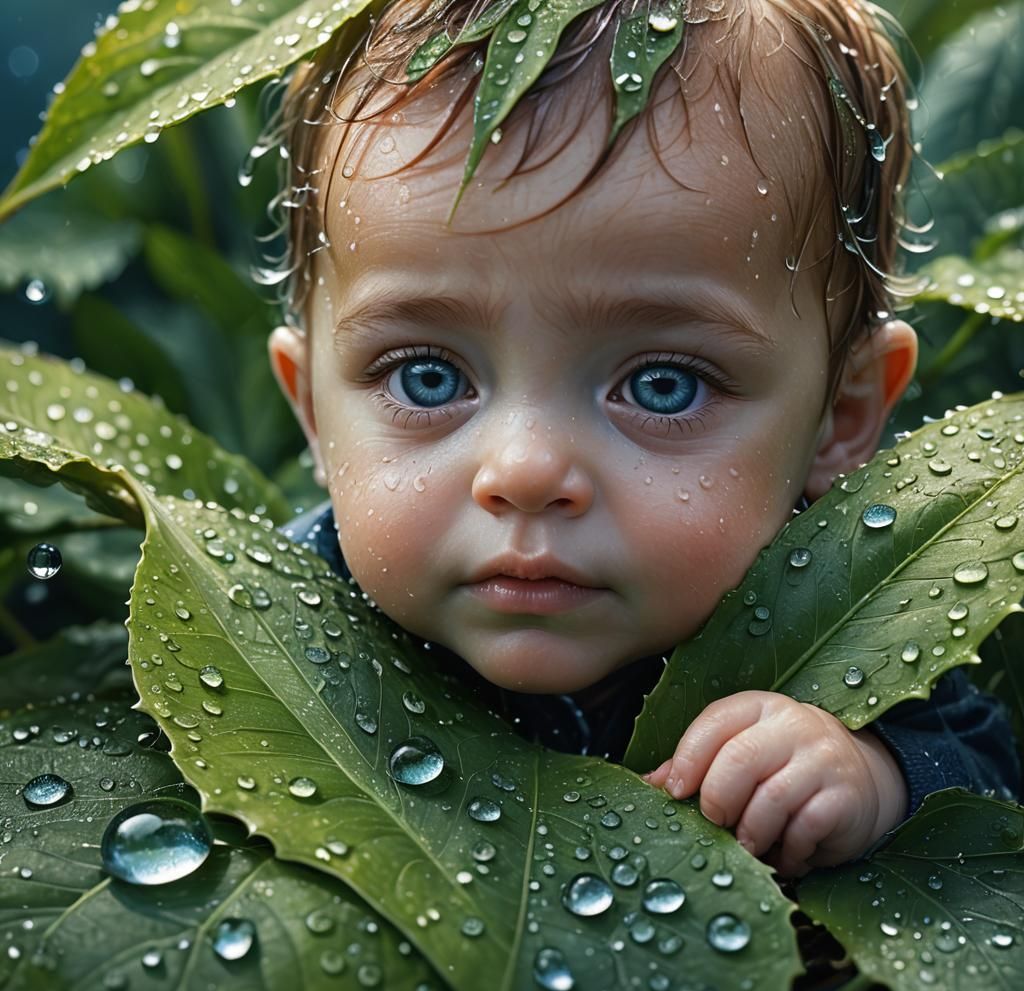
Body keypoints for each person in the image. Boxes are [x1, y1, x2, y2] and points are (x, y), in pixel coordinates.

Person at [262, 0, 1020, 879]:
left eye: (663, 386)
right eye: (425, 376)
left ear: (839, 417)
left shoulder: (846, 618)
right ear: (314, 411)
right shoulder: (286, 622)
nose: (527, 469)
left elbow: (989, 784)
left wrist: (877, 783)